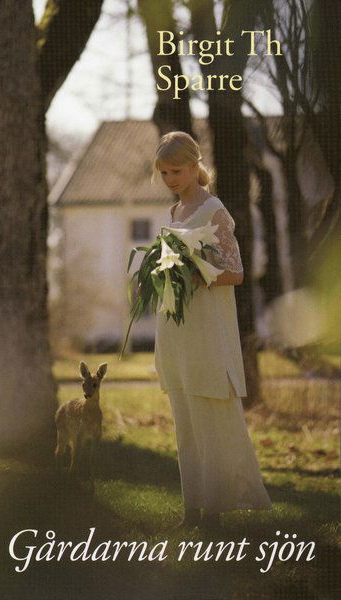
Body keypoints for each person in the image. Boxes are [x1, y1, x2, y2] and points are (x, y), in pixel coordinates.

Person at [152, 131, 272, 531]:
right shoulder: (173, 213)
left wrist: (197, 273)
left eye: (177, 170)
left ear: (195, 165)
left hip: (208, 328)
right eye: (165, 172)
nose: (171, 178)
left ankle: (217, 508)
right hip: (178, 325)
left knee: (210, 413)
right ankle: (192, 508)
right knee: (184, 415)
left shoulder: (214, 209)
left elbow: (236, 272)